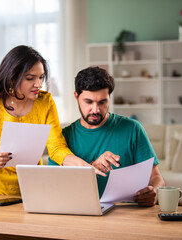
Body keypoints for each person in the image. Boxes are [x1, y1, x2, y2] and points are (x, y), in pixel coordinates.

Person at [0, 45, 90, 196]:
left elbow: (56, 148)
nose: (38, 84)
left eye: (41, 77)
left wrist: (84, 167)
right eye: (30, 78)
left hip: (34, 190)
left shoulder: (45, 102)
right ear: (12, 78)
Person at [49, 66, 165, 206]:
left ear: (109, 98)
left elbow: (156, 177)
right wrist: (92, 167)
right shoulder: (62, 138)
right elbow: (54, 187)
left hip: (128, 215)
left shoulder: (133, 129)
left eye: (102, 102)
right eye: (89, 102)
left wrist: (154, 191)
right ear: (76, 97)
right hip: (81, 213)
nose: (96, 110)